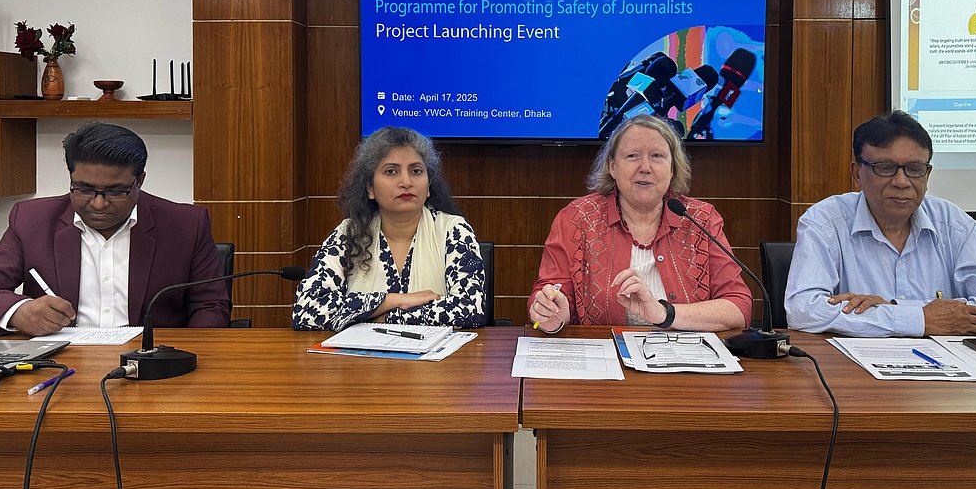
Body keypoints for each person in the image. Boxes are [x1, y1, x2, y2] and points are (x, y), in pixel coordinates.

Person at [0, 122, 230, 337]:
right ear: (71, 178)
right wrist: (19, 312)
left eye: (115, 191)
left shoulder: (185, 225)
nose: (98, 204)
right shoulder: (33, 220)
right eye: (84, 189)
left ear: (140, 181)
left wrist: (185, 359)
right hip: (57, 367)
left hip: (153, 368)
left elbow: (210, 307)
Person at [785, 110, 976, 337]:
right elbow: (803, 311)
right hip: (855, 375)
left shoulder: (952, 223)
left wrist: (897, 310)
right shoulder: (825, 221)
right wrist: (922, 318)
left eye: (914, 169)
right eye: (885, 168)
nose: (901, 182)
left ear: (928, 174)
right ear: (857, 174)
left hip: (946, 374)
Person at [528, 114, 752, 333]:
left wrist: (664, 314)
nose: (645, 167)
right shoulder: (576, 219)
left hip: (684, 363)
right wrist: (552, 315)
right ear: (612, 166)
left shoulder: (701, 219)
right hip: (605, 360)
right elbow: (551, 294)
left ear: (672, 168)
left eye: (657, 156)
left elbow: (738, 307)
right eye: (632, 156)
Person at [293, 127, 485, 332]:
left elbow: (470, 309)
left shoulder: (452, 230)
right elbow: (307, 309)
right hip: (361, 362)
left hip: (434, 363)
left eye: (416, 171)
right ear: (370, 189)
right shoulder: (349, 233)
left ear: (429, 185)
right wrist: (394, 300)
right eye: (391, 171)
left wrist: (380, 318)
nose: (406, 182)